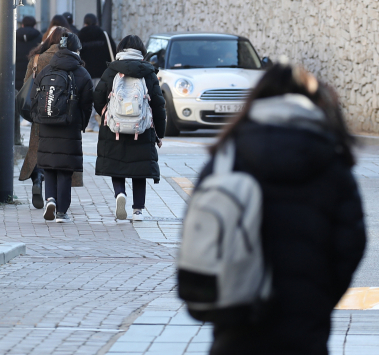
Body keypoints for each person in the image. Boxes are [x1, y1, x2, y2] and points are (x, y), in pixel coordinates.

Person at [200, 63, 366, 354]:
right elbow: (352, 242)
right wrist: (320, 294)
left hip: (236, 324)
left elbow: (201, 234)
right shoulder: (331, 160)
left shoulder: (227, 156)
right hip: (305, 330)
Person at [93, 35, 166, 221]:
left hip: (114, 128)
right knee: (139, 170)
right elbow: (158, 104)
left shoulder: (111, 70)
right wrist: (160, 133)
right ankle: (138, 210)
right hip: (141, 129)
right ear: (141, 51)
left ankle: (120, 194)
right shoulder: (148, 72)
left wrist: (105, 115)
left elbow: (98, 96)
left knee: (117, 165)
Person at [31, 32, 93, 223]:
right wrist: (81, 124)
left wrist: (38, 118)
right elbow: (87, 103)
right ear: (77, 49)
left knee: (49, 166)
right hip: (69, 127)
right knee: (65, 169)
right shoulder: (81, 73)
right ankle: (61, 212)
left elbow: (35, 96)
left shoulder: (47, 70)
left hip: (47, 125)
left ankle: (50, 199)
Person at [19, 27, 84, 209]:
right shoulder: (72, 60)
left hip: (41, 115)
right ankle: (57, 199)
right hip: (66, 117)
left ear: (49, 40)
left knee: (40, 151)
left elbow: (27, 87)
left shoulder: (37, 59)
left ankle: (38, 180)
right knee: (60, 155)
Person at [79, 13, 116, 132]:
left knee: (87, 97)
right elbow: (113, 52)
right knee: (101, 97)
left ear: (85, 23)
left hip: (85, 73)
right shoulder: (104, 35)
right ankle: (101, 120)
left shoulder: (80, 36)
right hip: (103, 73)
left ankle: (89, 123)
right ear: (97, 23)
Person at [15, 16, 42, 91]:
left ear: (22, 25)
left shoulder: (14, 37)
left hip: (15, 74)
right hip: (32, 74)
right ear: (34, 25)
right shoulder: (39, 37)